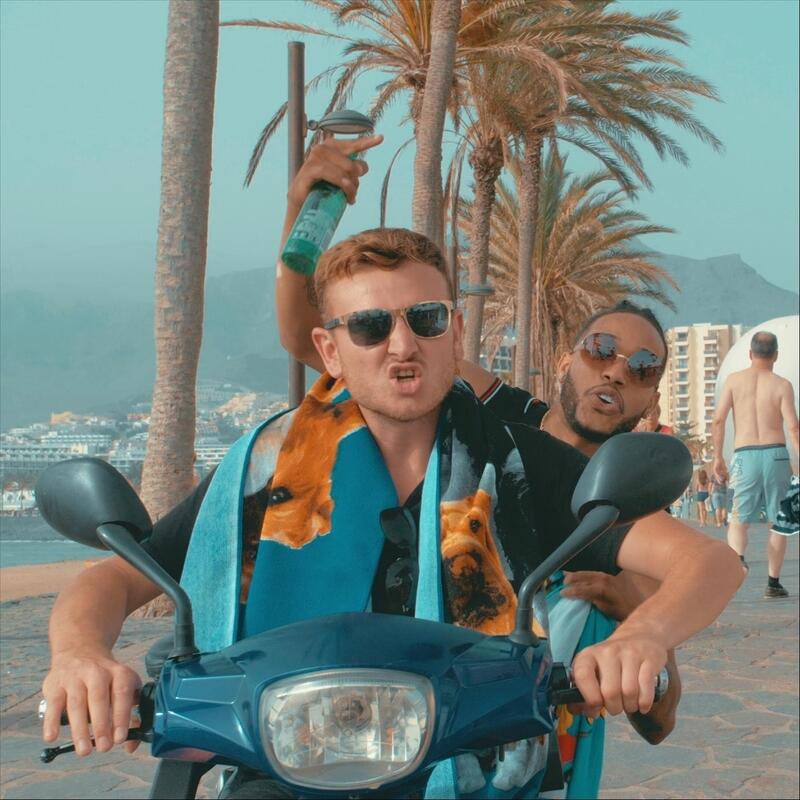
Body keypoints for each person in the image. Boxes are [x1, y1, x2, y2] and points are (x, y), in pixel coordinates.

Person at [42, 150, 742, 800]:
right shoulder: (265, 466)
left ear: (455, 333)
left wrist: (643, 635)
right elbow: (115, 577)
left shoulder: (520, 463)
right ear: (331, 349)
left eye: (425, 319)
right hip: (283, 768)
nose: (402, 345)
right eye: (371, 327)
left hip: (476, 769)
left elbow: (708, 562)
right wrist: (80, 656)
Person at [267, 140, 720, 795]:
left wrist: (636, 627)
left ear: (652, 399)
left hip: (536, 765)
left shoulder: (633, 526)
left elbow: (660, 722)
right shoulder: (495, 425)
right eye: (601, 348)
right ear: (567, 359)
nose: (618, 372)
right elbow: (319, 336)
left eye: (643, 368)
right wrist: (304, 211)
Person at [713, 331, 800, 598]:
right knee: (779, 520)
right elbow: (793, 427)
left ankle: (738, 561)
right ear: (776, 355)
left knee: (738, 518)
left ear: (750, 354)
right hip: (776, 455)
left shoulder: (733, 381)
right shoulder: (782, 385)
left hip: (743, 455)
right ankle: (773, 583)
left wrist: (718, 457)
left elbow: (718, 420)